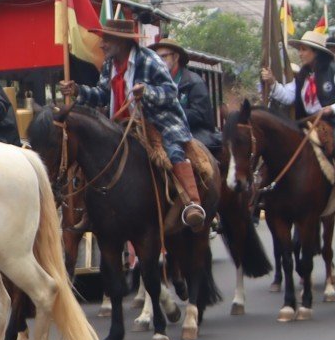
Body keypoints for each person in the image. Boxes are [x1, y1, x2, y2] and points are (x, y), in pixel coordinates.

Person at [67, 17, 207, 229]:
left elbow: (170, 93)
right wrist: (78, 90)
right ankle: (90, 211)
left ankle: (192, 203)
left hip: (157, 121)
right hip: (119, 125)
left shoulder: (149, 60)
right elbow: (102, 95)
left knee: (173, 150)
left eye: (107, 40)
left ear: (121, 42)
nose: (102, 44)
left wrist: (147, 92)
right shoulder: (109, 65)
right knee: (92, 157)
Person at [263, 28, 335, 188]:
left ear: (316, 52)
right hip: (311, 122)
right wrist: (272, 83)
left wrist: (333, 108)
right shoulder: (303, 75)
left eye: (304, 50)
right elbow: (288, 96)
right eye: (300, 50)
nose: (300, 54)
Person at [153, 37, 222, 158]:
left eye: (163, 56)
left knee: (177, 153)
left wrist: (172, 113)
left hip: (194, 133)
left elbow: (201, 114)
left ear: (176, 57)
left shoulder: (194, 81)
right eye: (157, 57)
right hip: (164, 131)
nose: (159, 61)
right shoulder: (155, 83)